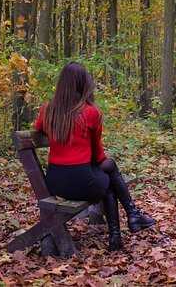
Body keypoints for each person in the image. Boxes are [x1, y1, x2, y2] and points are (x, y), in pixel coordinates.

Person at [33, 62, 155, 251]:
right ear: (83, 85)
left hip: (55, 182)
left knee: (107, 178)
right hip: (82, 183)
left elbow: (38, 127)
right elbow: (99, 157)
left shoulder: (48, 109)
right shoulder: (91, 112)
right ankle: (127, 221)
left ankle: (129, 220)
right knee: (109, 179)